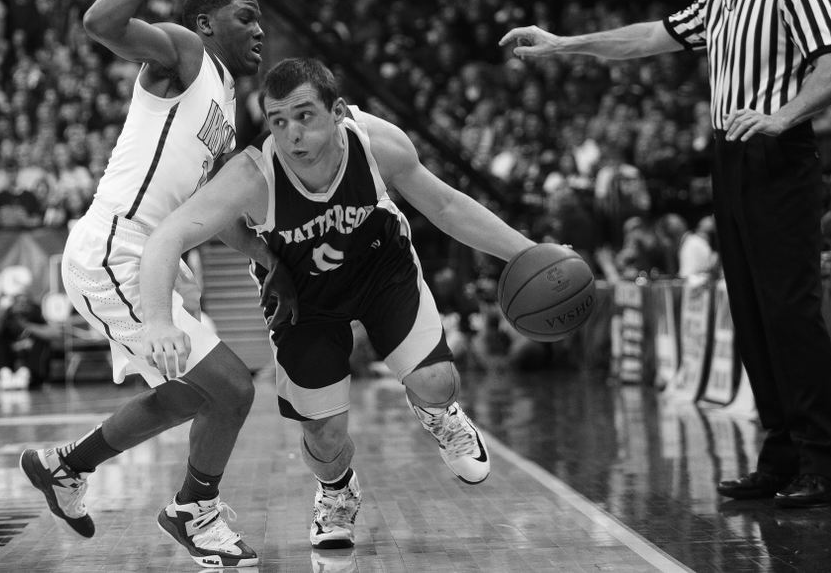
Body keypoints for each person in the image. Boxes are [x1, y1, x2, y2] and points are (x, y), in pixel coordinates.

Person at [500, 0, 831, 508]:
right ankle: (781, 456)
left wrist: (781, 117)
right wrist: (562, 44)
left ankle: (825, 464)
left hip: (778, 158)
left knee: (789, 314)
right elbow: (645, 38)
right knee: (749, 314)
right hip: (730, 159)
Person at [138, 58, 537, 549]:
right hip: (303, 299)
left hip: (379, 270)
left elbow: (447, 205)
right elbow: (171, 234)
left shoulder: (377, 144)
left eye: (305, 116)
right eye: (278, 121)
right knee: (325, 437)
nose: (291, 135)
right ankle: (336, 492)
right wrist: (158, 318)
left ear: (339, 112)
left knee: (437, 382)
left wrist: (529, 252)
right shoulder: (253, 172)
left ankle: (442, 415)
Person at [19, 0, 290, 569]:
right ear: (206, 21)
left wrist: (266, 260)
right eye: (245, 17)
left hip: (151, 257)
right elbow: (99, 21)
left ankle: (66, 466)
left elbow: (207, 208)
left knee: (185, 395)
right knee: (230, 388)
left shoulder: (226, 105)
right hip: (116, 250)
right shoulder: (185, 53)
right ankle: (194, 512)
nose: (260, 31)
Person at [0, 292, 61, 389]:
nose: (22, 307)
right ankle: (4, 374)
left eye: (25, 304)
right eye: (18, 303)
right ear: (12, 306)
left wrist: (27, 325)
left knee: (43, 342)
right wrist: (0, 323)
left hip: (30, 368)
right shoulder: (4, 321)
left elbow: (56, 335)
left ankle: (26, 374)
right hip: (8, 366)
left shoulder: (37, 320)